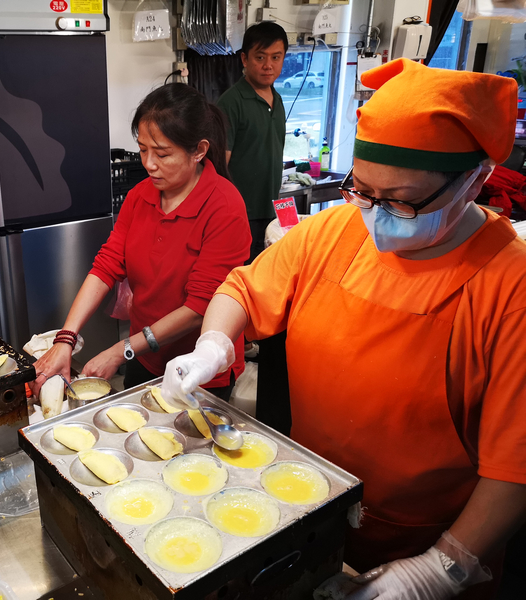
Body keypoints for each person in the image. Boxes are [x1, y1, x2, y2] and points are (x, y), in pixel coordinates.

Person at [163, 59, 526, 599]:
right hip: (306, 504)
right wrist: (213, 344)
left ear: (475, 179)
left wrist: (441, 568)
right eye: (363, 190)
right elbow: (241, 288)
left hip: (426, 540)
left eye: (400, 201)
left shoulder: (510, 287)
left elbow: (515, 467)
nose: (375, 215)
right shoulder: (335, 231)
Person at [32, 84, 250, 400]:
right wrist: (65, 339)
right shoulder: (140, 196)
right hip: (144, 356)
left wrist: (120, 350)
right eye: (143, 149)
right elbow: (106, 266)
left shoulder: (225, 206)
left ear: (199, 151)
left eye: (162, 153)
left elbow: (199, 308)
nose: (149, 163)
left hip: (198, 370)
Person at [217, 22, 288, 262]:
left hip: (273, 210)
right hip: (241, 214)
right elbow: (218, 166)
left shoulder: (277, 100)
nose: (268, 65)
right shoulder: (231, 102)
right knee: (241, 281)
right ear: (245, 59)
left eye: (276, 57)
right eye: (260, 57)